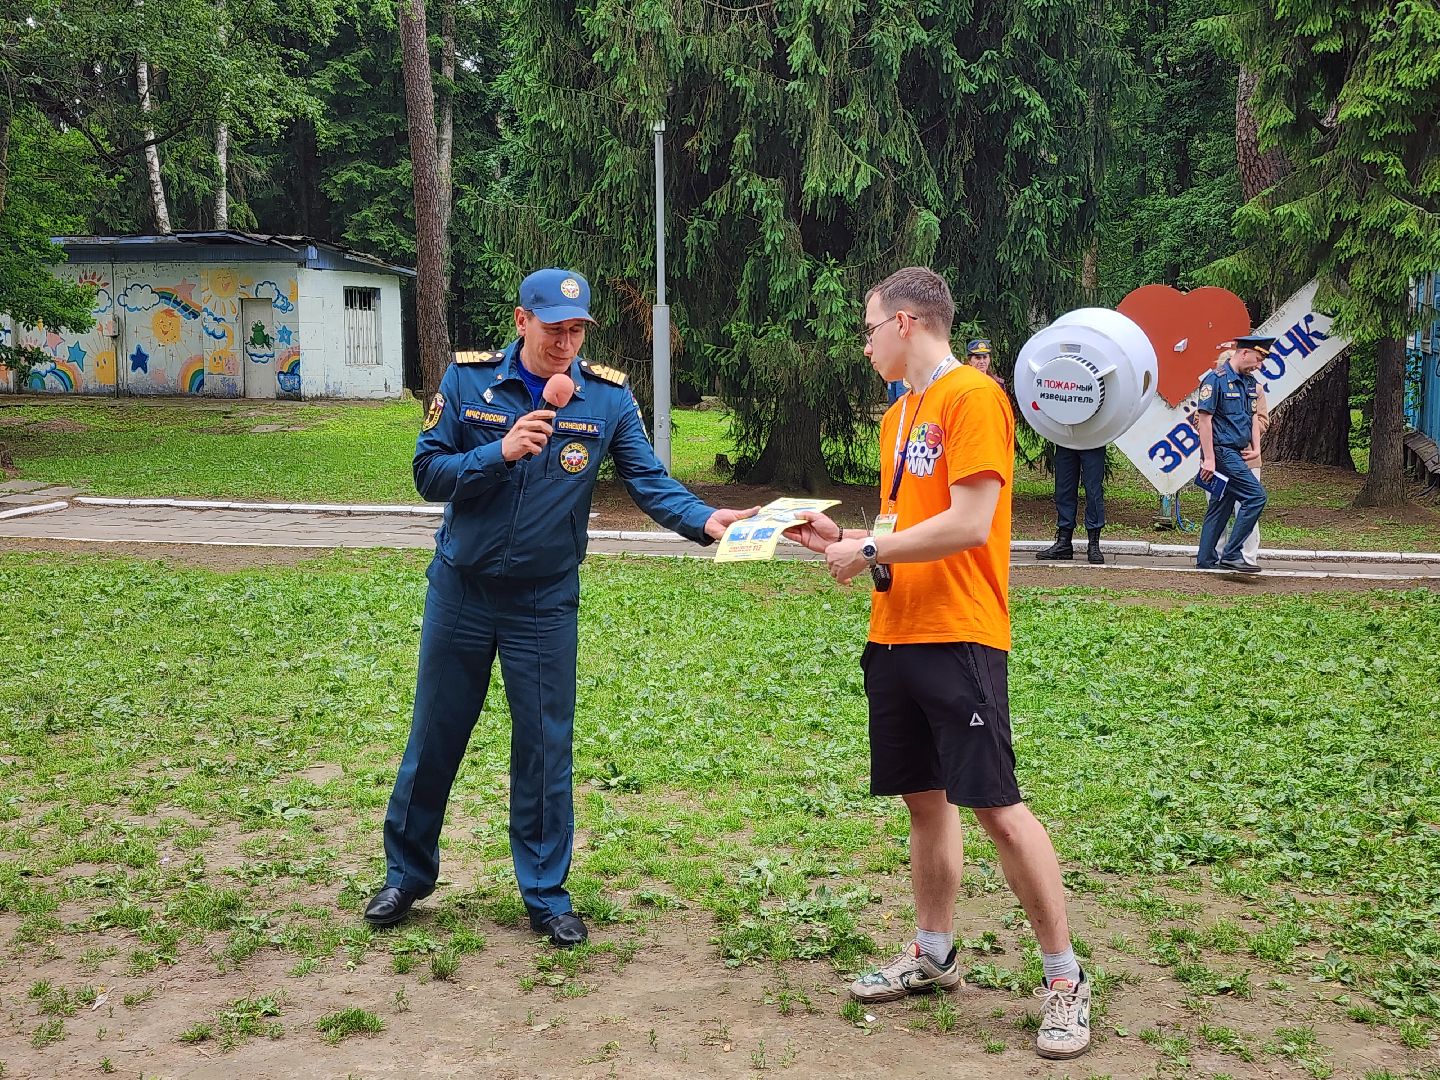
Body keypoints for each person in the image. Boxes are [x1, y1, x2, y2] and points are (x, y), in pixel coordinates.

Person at [365, 268, 757, 946]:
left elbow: (650, 481)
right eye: (554, 329)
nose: (566, 343)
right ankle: (407, 873)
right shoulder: (468, 383)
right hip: (461, 590)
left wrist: (707, 520)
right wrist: (499, 451)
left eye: (576, 331)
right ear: (522, 321)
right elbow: (429, 473)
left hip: (544, 602)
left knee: (544, 748)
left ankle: (545, 894)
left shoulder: (605, 400)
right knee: (435, 736)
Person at [784, 267, 1092, 1061]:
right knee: (926, 805)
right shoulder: (901, 416)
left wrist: (871, 546)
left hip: (960, 635)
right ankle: (933, 953)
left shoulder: (972, 398)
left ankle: (1064, 980)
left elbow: (971, 521)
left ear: (911, 323)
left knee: (996, 806)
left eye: (870, 325)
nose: (864, 341)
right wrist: (841, 543)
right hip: (895, 635)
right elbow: (902, 524)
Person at [1195, 334, 1272, 573]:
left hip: (1238, 452)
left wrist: (1257, 447)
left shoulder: (1249, 383)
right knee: (1256, 497)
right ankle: (1232, 554)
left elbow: (1252, 418)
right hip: (1222, 452)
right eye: (1257, 359)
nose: (1258, 366)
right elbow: (1204, 421)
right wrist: (1208, 459)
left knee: (1221, 504)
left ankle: (1206, 559)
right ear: (1244, 353)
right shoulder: (1214, 380)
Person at [1213, 349, 1270, 564]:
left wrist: (1240, 428)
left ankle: (1247, 557)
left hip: (1247, 458)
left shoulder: (1255, 388)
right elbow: (1201, 420)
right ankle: (1218, 555)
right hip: (1220, 458)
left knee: (1247, 506)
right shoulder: (1214, 385)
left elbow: (1262, 420)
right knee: (1217, 507)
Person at [1033, 441, 1107, 565]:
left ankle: (1094, 545)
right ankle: (1064, 543)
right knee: (1064, 490)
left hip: (1094, 438)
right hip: (1065, 438)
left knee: (1093, 492)